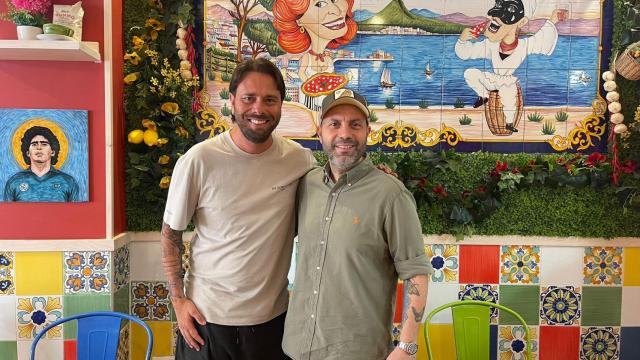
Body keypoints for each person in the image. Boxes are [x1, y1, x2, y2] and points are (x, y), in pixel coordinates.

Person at [161, 58, 316, 359]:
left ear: (281, 105)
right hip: (207, 323)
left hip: (272, 323)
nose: (258, 109)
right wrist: (178, 301)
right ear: (231, 101)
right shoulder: (199, 160)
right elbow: (170, 235)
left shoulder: (299, 160)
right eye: (249, 98)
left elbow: (327, 205)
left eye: (269, 99)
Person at [282, 89, 433, 359]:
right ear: (320, 132)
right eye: (334, 124)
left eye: (355, 124)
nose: (345, 134)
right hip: (297, 346)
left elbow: (416, 272)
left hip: (357, 352)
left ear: (368, 132)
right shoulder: (306, 184)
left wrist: (407, 346)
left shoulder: (391, 195)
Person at [455, 0, 566, 133]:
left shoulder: (524, 45)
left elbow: (541, 39)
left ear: (521, 22)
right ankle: (483, 95)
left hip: (507, 81)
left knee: (509, 97)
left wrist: (552, 20)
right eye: (495, 16)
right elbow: (466, 53)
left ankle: (509, 123)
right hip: (493, 79)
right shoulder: (490, 45)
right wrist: (462, 40)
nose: (495, 19)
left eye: (504, 17)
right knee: (470, 73)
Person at [273, 0, 357, 111]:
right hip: (309, 101)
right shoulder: (306, 58)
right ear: (299, 20)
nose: (336, 11)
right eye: (320, 4)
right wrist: (313, 86)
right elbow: (301, 74)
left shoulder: (329, 58)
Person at [4, 125, 79, 202]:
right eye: (34, 144)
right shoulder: (14, 181)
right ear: (28, 153)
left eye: (44, 144)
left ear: (52, 152)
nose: (39, 147)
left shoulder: (68, 181)